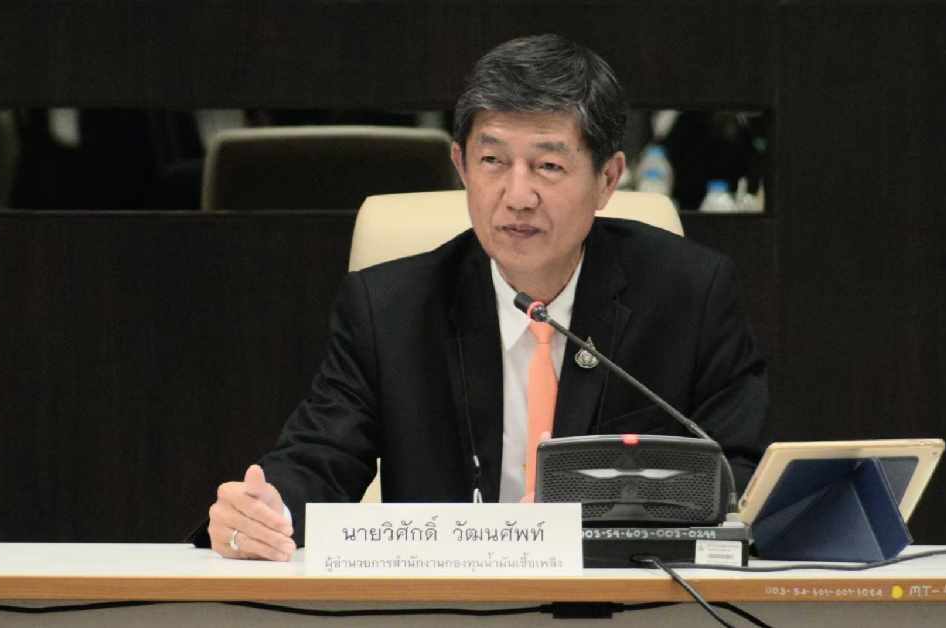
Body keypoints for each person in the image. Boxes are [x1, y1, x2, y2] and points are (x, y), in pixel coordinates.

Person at [197, 34, 768, 561]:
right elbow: (317, 462)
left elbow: (740, 477)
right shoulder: (390, 311)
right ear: (460, 166)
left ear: (608, 180)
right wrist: (263, 512)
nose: (517, 196)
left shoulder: (690, 296)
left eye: (548, 165)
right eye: (493, 161)